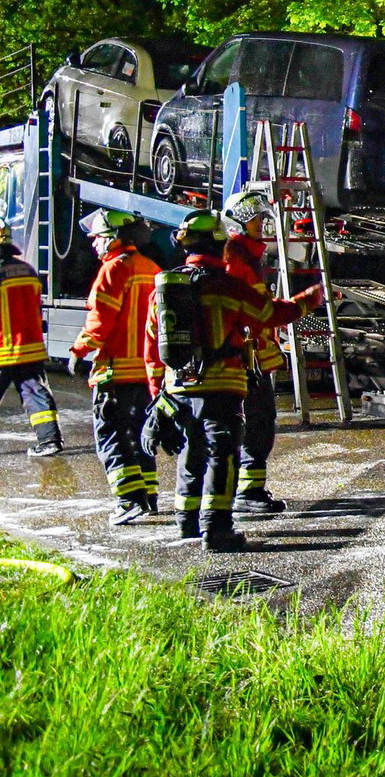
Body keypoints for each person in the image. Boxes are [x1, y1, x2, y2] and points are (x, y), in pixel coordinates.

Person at [144, 210, 323, 552]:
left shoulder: (164, 290)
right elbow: (270, 314)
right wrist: (308, 301)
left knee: (190, 451)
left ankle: (186, 523)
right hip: (222, 386)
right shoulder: (228, 288)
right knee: (221, 454)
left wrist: (158, 393)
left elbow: (152, 347)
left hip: (177, 387)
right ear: (219, 245)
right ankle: (217, 530)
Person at [68, 210, 161, 525]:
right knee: (139, 436)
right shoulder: (151, 268)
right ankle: (148, 496)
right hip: (145, 374)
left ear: (114, 239)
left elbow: (100, 321)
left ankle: (128, 501)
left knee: (112, 436)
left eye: (99, 237)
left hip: (115, 371)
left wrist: (79, 349)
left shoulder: (112, 270)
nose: (94, 243)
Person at [221, 189, 290, 514]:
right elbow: (245, 311)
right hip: (244, 360)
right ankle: (247, 493)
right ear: (238, 224)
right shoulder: (234, 258)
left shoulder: (246, 256)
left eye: (262, 219)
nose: (261, 225)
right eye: (256, 220)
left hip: (254, 359)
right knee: (255, 425)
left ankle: (250, 490)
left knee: (260, 424)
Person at [0, 225, 63, 458]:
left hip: (4, 347)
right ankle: (50, 440)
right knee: (36, 394)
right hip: (30, 347)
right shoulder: (27, 270)